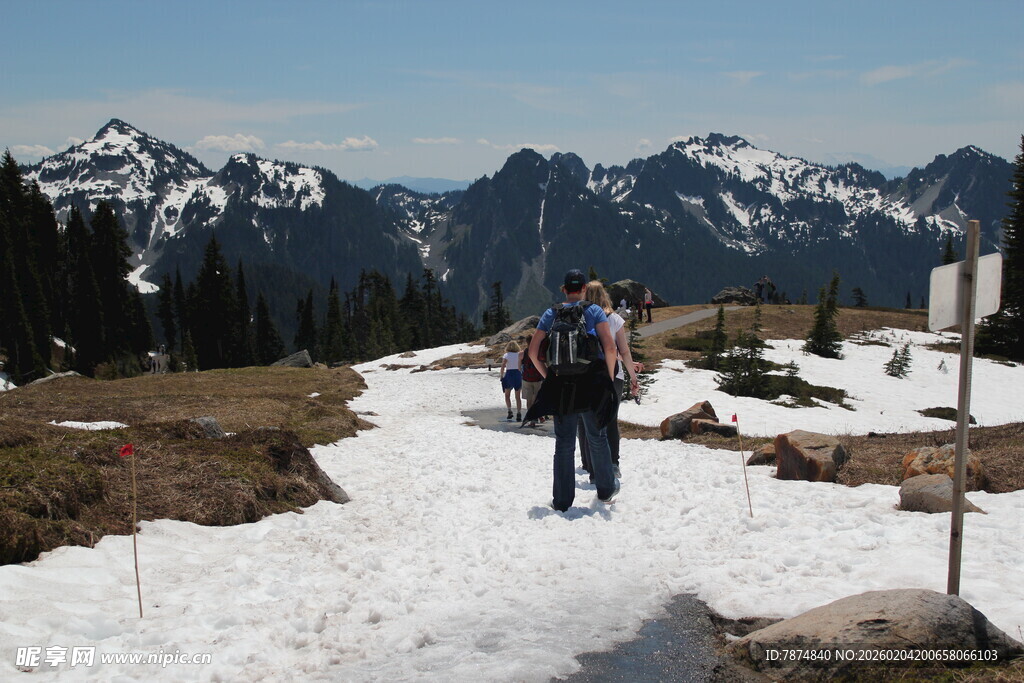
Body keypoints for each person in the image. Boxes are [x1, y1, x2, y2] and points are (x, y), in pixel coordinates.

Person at [525, 269, 619, 511]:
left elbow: (533, 353)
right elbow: (610, 348)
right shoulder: (594, 311)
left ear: (565, 289)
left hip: (562, 385)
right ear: (584, 289)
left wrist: (548, 377)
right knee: (597, 437)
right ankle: (606, 491)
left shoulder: (551, 313)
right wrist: (608, 378)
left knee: (564, 443)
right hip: (592, 383)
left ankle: (562, 501)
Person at [577, 280, 640, 479]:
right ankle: (613, 464)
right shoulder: (613, 319)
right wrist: (633, 378)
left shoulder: (580, 316)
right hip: (613, 374)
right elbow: (624, 351)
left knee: (587, 421)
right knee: (610, 420)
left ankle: (590, 464)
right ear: (604, 295)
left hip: (585, 375)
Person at [520, 333, 545, 427]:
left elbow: (519, 366)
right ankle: (539, 415)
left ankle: (531, 419)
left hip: (527, 379)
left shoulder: (523, 353)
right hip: (537, 378)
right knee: (536, 399)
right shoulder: (538, 351)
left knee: (529, 400)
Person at [499, 340, 523, 421]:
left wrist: (501, 375)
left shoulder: (506, 355)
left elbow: (503, 365)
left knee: (507, 395)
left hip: (509, 374)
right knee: (517, 396)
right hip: (518, 374)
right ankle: (519, 413)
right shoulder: (519, 354)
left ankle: (509, 411)